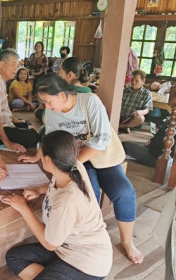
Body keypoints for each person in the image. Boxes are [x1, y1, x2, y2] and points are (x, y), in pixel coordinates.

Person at [19, 73, 143, 264]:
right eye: (43, 102)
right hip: (75, 160)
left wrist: (75, 163)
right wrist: (37, 155)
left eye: (48, 101)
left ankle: (127, 242)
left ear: (62, 95)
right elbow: (50, 139)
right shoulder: (52, 113)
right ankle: (78, 240)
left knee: (124, 192)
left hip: (101, 156)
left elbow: (101, 138)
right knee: (86, 194)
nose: (46, 107)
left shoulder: (90, 101)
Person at [3, 131, 112, 279]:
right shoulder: (72, 167)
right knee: (14, 257)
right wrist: (39, 190)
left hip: (87, 262)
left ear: (47, 160)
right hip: (65, 248)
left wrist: (23, 208)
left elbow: (49, 244)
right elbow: (54, 184)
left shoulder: (67, 199)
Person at [0, 50, 40, 152]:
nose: (15, 69)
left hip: (4, 122)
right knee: (33, 137)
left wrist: (13, 119)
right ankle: (2, 139)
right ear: (2, 64)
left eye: (17, 66)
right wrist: (8, 143)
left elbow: (1, 109)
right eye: (13, 65)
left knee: (26, 123)